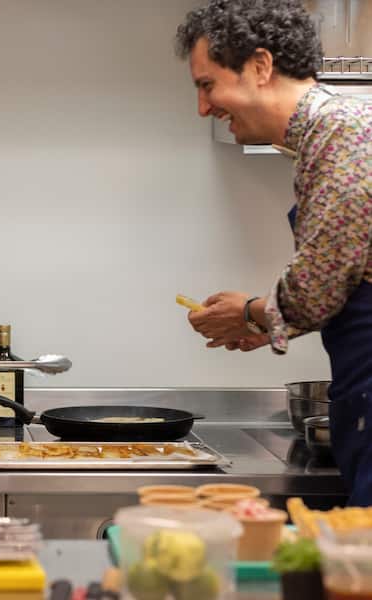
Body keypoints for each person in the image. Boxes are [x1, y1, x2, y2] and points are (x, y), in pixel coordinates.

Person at [175, 0, 372, 503]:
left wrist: (251, 312)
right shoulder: (325, 137)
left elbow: (319, 284)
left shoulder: (342, 133)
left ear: (260, 66)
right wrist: (266, 320)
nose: (203, 107)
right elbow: (345, 279)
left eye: (207, 84)